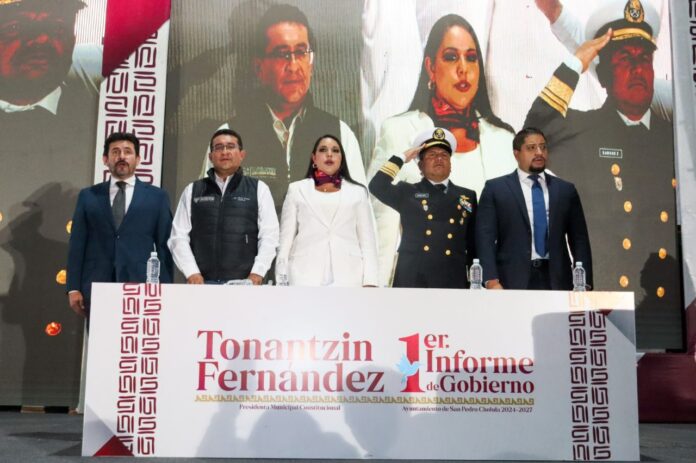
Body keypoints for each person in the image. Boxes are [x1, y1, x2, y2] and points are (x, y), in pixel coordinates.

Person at [524, 0, 679, 317]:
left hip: (670, 308)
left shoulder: (672, 137)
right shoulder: (585, 133)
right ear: (604, 75)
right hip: (610, 305)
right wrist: (576, 63)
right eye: (625, 60)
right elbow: (533, 134)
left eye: (644, 59)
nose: (638, 69)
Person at [366, 14, 516, 286]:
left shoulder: (504, 140)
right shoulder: (399, 130)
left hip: (482, 290)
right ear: (431, 68)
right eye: (451, 57)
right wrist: (375, 293)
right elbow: (381, 232)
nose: (463, 69)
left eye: (471, 58)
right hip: (416, 286)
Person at [201, 3, 366, 214]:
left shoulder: (339, 134)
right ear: (259, 67)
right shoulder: (229, 137)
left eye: (301, 52)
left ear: (311, 62)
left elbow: (360, 214)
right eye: (283, 54)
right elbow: (207, 215)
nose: (294, 66)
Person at [67, 132, 173, 317]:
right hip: (96, 284)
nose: (122, 156)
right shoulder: (88, 196)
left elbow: (165, 245)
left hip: (141, 284)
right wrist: (73, 287)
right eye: (115, 152)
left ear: (138, 159)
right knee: (101, 335)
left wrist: (165, 287)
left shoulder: (157, 197)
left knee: (136, 335)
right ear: (105, 159)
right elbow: (77, 244)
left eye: (127, 151)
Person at [475, 127, 592, 290]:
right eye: (531, 148)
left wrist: (584, 283)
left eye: (543, 147)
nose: (539, 153)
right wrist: (491, 281)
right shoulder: (496, 189)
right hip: (510, 281)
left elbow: (579, 239)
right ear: (516, 154)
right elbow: (484, 238)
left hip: (558, 281)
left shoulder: (565, 190)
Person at [369, 127, 476, 289]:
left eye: (444, 155)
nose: (439, 159)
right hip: (413, 278)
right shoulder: (407, 192)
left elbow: (473, 242)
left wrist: (477, 281)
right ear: (420, 166)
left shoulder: (467, 196)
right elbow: (377, 186)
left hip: (452, 278)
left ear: (451, 164)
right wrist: (401, 158)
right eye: (432, 155)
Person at [169, 129, 279, 285]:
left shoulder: (258, 189)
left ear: (242, 154)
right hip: (202, 284)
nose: (225, 152)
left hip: (245, 284)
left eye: (231, 146)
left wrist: (257, 273)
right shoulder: (193, 190)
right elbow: (178, 237)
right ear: (210, 156)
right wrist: (192, 272)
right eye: (219, 147)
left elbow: (269, 236)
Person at [276, 135, 378, 287]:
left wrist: (371, 281)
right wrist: (281, 278)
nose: (329, 154)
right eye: (323, 150)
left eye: (335, 150)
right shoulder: (296, 189)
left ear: (341, 158)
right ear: (314, 158)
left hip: (349, 276)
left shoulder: (358, 192)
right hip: (304, 275)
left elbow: (367, 241)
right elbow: (285, 240)